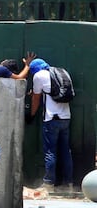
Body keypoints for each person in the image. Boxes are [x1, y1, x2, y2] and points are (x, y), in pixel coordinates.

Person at [27, 58, 74, 192]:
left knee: (50, 152)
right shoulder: (61, 72)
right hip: (66, 117)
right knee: (66, 151)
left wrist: (31, 115)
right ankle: (68, 184)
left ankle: (49, 184)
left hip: (51, 118)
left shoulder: (39, 75)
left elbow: (36, 98)